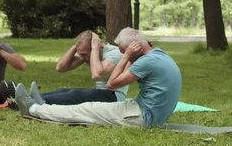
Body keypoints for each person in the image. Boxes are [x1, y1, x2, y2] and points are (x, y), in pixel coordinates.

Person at [15, 27, 182, 128]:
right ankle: (38, 104)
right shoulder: (158, 54)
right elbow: (61, 68)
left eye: (125, 52)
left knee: (85, 110)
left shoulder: (144, 62)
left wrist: (126, 57)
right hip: (147, 112)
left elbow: (111, 84)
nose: (126, 57)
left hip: (143, 117)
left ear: (134, 49)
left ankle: (34, 109)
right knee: (85, 103)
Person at [25, 30, 128, 106]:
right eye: (80, 54)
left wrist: (95, 47)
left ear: (97, 47)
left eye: (84, 54)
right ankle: (28, 98)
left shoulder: (114, 54)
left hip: (114, 97)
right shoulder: (87, 53)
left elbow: (97, 75)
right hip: (101, 93)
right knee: (63, 91)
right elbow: (60, 68)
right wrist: (76, 46)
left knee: (76, 94)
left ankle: (38, 102)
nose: (82, 57)